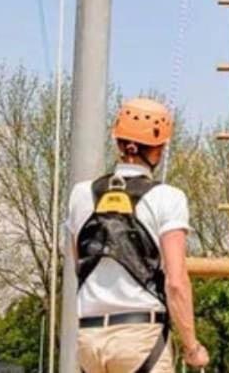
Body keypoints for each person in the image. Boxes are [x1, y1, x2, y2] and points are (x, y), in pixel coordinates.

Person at [66, 97, 209, 373]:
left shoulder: (80, 195)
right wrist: (192, 348)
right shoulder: (167, 198)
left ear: (119, 142)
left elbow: (79, 266)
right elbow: (176, 282)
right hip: (140, 338)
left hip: (90, 339)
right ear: (159, 149)